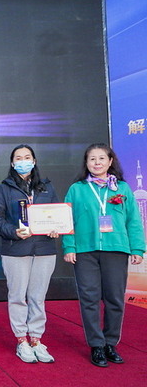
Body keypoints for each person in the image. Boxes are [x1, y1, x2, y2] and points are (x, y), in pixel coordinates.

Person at [62, 143, 145, 367]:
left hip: (116, 249)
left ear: (110, 161)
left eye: (101, 158)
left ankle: (110, 343)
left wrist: (137, 249)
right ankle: (96, 345)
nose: (97, 163)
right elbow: (67, 220)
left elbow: (133, 221)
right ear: (86, 163)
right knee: (89, 298)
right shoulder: (77, 189)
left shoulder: (123, 188)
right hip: (85, 250)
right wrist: (69, 247)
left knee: (115, 299)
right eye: (92, 159)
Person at [0, 144, 59, 364]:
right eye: (18, 158)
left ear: (34, 161)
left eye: (27, 157)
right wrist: (13, 232)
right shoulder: (4, 188)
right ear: (12, 163)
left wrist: (57, 227)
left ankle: (36, 339)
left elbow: (57, 213)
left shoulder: (46, 187)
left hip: (44, 249)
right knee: (18, 296)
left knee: (38, 297)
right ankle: (22, 340)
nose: (23, 161)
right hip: (15, 250)